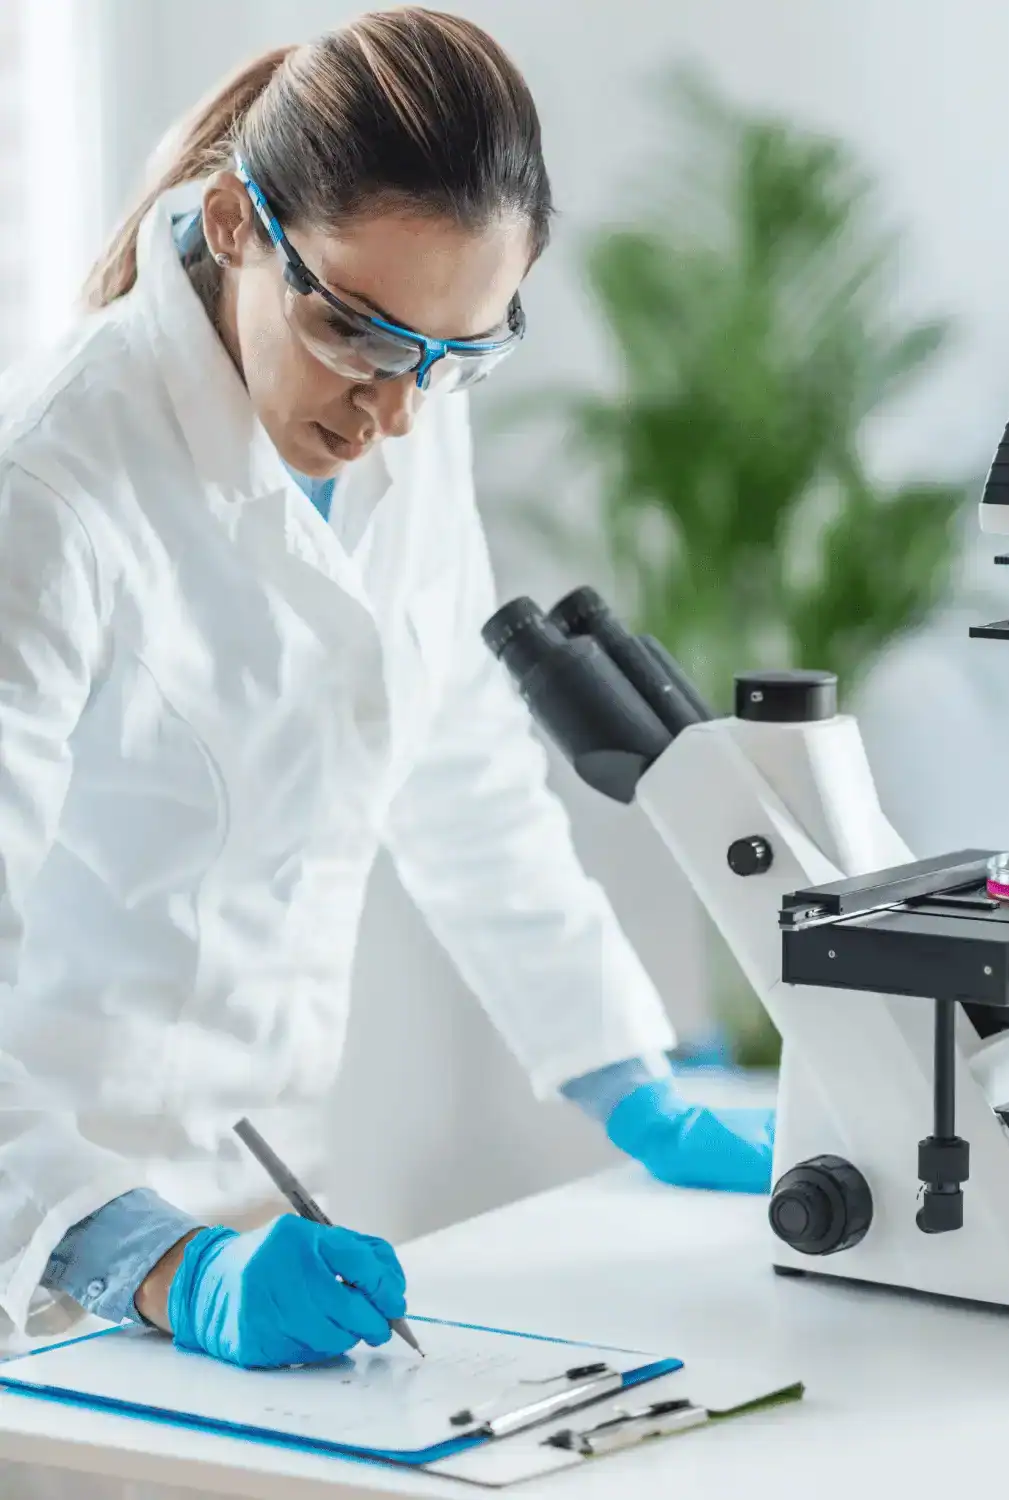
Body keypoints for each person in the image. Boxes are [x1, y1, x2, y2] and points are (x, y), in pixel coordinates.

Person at [0, 9, 774, 1493]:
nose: (399, 409)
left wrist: (630, 1077)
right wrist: (139, 1255)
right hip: (49, 1259)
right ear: (239, 224)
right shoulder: (53, 490)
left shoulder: (402, 404)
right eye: (358, 331)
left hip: (262, 1216)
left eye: (457, 354)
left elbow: (457, 761)